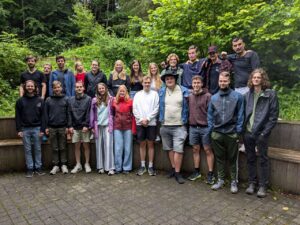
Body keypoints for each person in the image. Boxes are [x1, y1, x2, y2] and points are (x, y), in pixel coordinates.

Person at [244, 68, 279, 198]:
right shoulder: (247, 95)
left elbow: (273, 117)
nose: (256, 79)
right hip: (248, 132)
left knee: (263, 159)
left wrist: (264, 133)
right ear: (251, 79)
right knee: (250, 158)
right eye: (254, 77)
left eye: (259, 77)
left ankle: (263, 185)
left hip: (261, 134)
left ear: (263, 79)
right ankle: (252, 183)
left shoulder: (270, 94)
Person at [207, 71, 244, 193]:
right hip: (217, 133)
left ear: (229, 81)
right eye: (221, 81)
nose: (222, 83)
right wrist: (212, 129)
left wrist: (238, 131)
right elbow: (210, 115)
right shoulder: (214, 97)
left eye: (225, 81)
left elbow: (240, 115)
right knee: (219, 158)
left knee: (233, 159)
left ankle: (234, 181)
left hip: (231, 133)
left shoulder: (237, 97)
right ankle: (221, 180)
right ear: (218, 81)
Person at [159, 69, 189, 184]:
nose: (169, 80)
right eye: (167, 79)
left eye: (171, 78)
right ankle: (173, 169)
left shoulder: (183, 90)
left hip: (179, 125)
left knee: (178, 149)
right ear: (165, 81)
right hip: (165, 125)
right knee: (169, 148)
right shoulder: (161, 91)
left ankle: (177, 172)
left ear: (175, 79)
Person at [187, 75, 215, 184]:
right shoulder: (190, 96)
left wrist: (210, 127)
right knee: (195, 149)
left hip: (205, 128)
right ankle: (197, 171)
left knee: (208, 150)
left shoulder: (208, 96)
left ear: (202, 84)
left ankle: (210, 174)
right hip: (193, 127)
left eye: (198, 83)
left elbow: (211, 113)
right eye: (194, 83)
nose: (196, 85)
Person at [15, 80, 45, 177]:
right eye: (28, 86)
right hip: (25, 129)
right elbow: (17, 116)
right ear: (25, 87)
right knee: (27, 149)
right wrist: (19, 129)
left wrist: (42, 129)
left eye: (32, 86)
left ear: (35, 87)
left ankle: (38, 167)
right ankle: (30, 168)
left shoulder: (40, 100)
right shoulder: (20, 101)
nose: (30, 88)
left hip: (37, 128)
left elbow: (43, 116)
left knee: (38, 149)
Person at [133, 76, 159, 176]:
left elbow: (156, 108)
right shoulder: (137, 95)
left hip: (151, 123)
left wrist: (148, 119)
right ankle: (143, 165)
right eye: (145, 82)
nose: (147, 84)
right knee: (142, 144)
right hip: (140, 123)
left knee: (151, 144)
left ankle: (151, 166)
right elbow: (135, 109)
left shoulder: (155, 94)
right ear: (142, 83)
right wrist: (141, 119)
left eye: (148, 82)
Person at [89, 83, 115, 175]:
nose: (101, 90)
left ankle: (110, 167)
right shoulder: (94, 100)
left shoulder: (111, 99)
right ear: (97, 90)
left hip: (108, 125)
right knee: (99, 147)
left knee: (108, 146)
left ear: (106, 88)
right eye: (99, 88)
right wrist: (91, 126)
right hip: (98, 126)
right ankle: (101, 167)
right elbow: (92, 114)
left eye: (102, 88)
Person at [44, 81, 69, 175]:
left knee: (63, 147)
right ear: (52, 89)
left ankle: (63, 164)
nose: (57, 89)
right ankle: (56, 165)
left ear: (61, 88)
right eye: (55, 88)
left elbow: (68, 114)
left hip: (63, 127)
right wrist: (46, 127)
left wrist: (68, 126)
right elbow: (45, 115)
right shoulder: (48, 100)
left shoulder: (66, 99)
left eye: (58, 87)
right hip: (52, 127)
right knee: (54, 147)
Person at [68, 81, 92, 173]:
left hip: (84, 127)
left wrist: (86, 125)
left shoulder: (88, 99)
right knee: (76, 146)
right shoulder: (71, 99)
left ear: (83, 88)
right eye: (77, 87)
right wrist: (70, 126)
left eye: (80, 87)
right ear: (75, 88)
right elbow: (69, 113)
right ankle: (78, 164)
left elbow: (89, 113)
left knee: (86, 145)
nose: (79, 88)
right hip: (74, 127)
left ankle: (87, 164)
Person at [112, 85, 135, 174]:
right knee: (118, 148)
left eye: (123, 91)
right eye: (120, 91)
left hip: (128, 127)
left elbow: (133, 114)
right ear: (118, 92)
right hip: (117, 127)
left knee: (128, 148)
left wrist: (133, 128)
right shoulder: (114, 102)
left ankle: (127, 167)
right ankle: (118, 167)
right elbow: (112, 113)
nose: (122, 93)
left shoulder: (130, 101)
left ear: (126, 92)